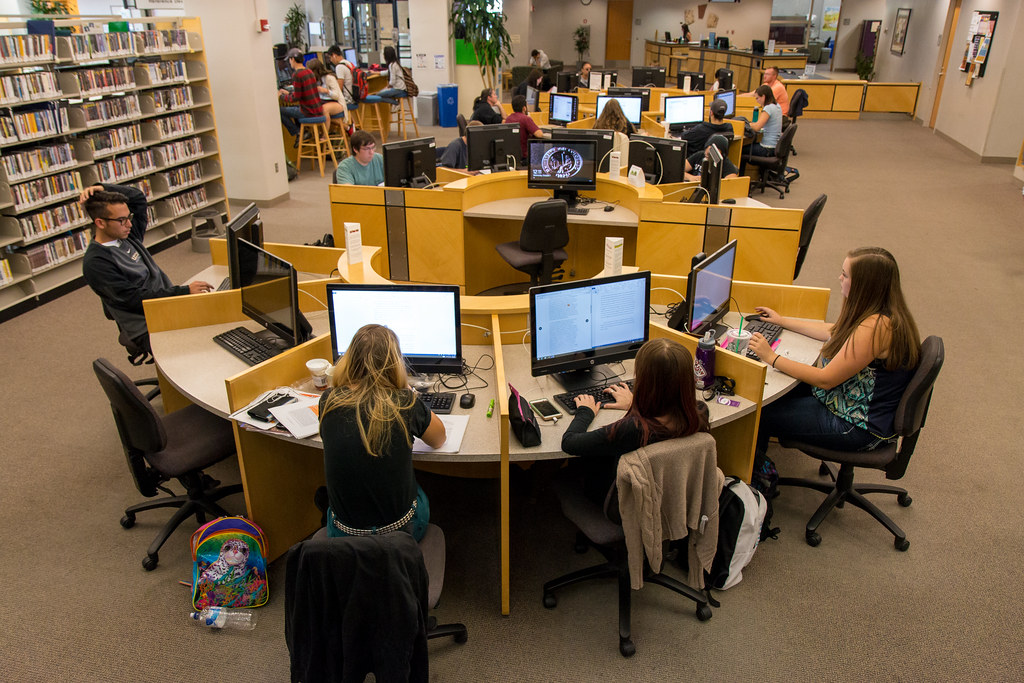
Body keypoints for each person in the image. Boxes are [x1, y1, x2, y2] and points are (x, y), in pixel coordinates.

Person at [749, 247, 921, 459]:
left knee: (758, 413)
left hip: (856, 426)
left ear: (863, 285)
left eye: (845, 275)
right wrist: (782, 321)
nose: (840, 278)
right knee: (773, 395)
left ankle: (759, 476)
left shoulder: (876, 328)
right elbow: (834, 331)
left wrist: (771, 357)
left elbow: (825, 379)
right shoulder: (879, 313)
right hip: (846, 403)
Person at [319, 324, 447, 542]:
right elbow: (439, 439)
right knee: (421, 490)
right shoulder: (405, 403)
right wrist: (409, 392)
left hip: (342, 535)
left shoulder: (329, 400)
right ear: (395, 363)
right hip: (401, 533)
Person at [561, 338, 710, 504]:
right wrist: (633, 404)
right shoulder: (700, 412)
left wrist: (585, 412)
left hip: (621, 502)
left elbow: (569, 443)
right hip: (673, 497)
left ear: (644, 381)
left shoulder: (634, 428)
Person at [80, 183, 212, 353]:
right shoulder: (97, 262)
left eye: (129, 217)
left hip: (166, 303)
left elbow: (138, 198)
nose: (129, 224)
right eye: (122, 220)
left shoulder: (126, 235)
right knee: (206, 340)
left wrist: (103, 187)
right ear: (100, 223)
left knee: (219, 315)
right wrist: (184, 292)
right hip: (145, 324)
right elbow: (135, 299)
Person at [278, 48, 323, 142]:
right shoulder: (309, 72)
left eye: (289, 60)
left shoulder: (297, 75)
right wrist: (289, 93)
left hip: (307, 112)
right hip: (317, 109)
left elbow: (296, 98)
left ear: (292, 59)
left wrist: (281, 96)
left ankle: (298, 132)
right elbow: (303, 93)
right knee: (294, 109)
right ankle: (304, 133)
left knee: (280, 111)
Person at [741, 84, 782, 174]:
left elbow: (757, 127)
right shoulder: (777, 106)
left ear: (763, 96)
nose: (757, 101)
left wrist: (744, 124)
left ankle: (741, 179)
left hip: (767, 149)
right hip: (774, 147)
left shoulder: (768, 108)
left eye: (757, 98)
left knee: (740, 150)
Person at [593, 97, 633, 171]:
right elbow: (633, 140)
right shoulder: (626, 124)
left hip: (600, 162)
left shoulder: (597, 124)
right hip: (620, 164)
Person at [505, 94, 545, 163]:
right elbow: (540, 134)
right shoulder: (525, 119)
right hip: (524, 158)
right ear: (524, 108)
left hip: (512, 157)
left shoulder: (508, 118)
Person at [324, 45, 357, 112]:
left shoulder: (339, 67)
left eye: (330, 58)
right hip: (354, 97)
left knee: (326, 106)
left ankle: (338, 122)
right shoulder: (348, 63)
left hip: (348, 100)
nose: (330, 60)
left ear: (334, 55)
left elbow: (339, 88)